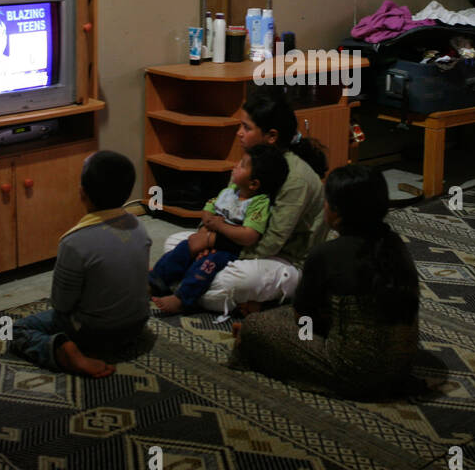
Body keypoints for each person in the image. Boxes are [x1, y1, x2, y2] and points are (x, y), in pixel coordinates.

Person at [229, 164, 420, 398]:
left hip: (354, 371)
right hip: (402, 365)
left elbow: (304, 319)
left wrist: (288, 336)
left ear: (337, 213)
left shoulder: (326, 253)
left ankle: (253, 342)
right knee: (280, 313)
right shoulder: (394, 244)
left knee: (256, 327)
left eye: (327, 201)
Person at [158, 87, 329, 316]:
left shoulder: (295, 179)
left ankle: (194, 288)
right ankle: (199, 287)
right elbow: (223, 205)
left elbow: (271, 244)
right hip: (238, 243)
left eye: (246, 128)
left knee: (228, 281)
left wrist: (213, 243)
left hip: (284, 260)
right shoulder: (251, 158)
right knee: (174, 243)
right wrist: (205, 238)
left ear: (272, 136)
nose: (239, 133)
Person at [9, 151, 150, 378]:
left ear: (82, 193)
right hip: (137, 324)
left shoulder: (73, 242)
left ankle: (62, 350)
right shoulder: (139, 226)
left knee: (11, 329)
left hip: (94, 333)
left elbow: (61, 304)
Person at [151, 145, 288, 315]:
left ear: (254, 184)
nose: (236, 166)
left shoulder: (259, 203)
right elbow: (210, 206)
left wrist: (218, 227)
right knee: (181, 247)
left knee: (205, 266)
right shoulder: (229, 192)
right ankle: (155, 281)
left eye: (242, 165)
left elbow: (249, 236)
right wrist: (207, 220)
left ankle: (182, 300)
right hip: (210, 236)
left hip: (228, 248)